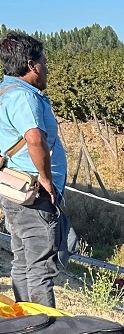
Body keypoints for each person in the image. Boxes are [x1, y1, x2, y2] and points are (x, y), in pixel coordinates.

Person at [0, 31, 68, 308]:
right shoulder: (24, 98)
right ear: (32, 64)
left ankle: (26, 319)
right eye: (44, 62)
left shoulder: (4, 93)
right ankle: (43, 326)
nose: (47, 69)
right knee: (40, 264)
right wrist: (47, 179)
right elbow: (34, 138)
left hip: (14, 191)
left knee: (22, 258)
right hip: (33, 193)